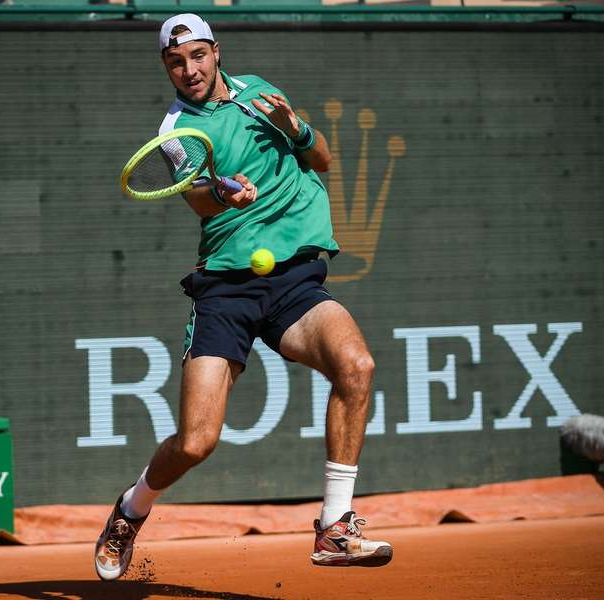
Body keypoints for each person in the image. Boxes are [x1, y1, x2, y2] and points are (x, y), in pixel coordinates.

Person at [94, 13, 392, 581]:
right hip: (227, 289)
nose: (190, 70)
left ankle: (334, 526)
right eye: (176, 62)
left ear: (216, 52)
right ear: (167, 68)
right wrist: (224, 192)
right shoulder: (177, 128)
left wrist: (297, 126)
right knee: (197, 441)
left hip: (295, 283)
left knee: (356, 366)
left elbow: (322, 159)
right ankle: (131, 511)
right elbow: (201, 201)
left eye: (198, 56)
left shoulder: (263, 94)